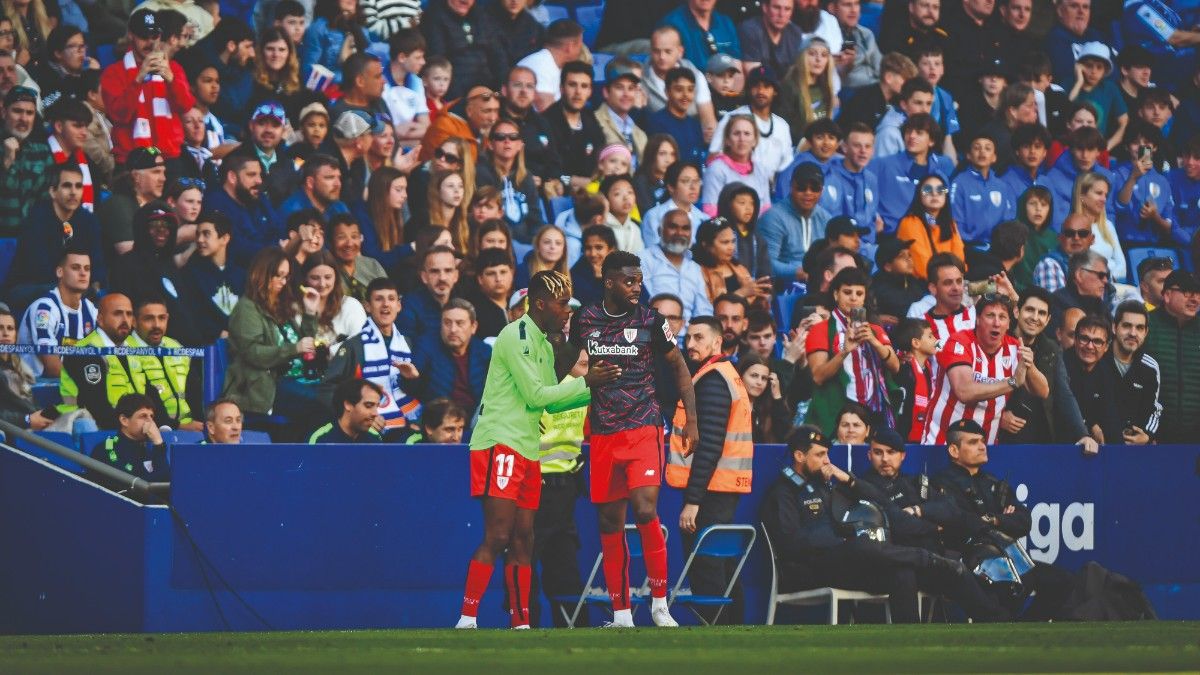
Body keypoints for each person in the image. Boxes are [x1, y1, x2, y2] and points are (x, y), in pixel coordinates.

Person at [456, 270, 618, 630]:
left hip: (529, 449)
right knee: (498, 535)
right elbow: (535, 396)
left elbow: (552, 404)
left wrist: (593, 387)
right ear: (540, 304)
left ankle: (521, 623)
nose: (567, 312)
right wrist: (587, 381)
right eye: (563, 305)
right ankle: (467, 618)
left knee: (523, 538)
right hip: (500, 442)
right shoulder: (516, 335)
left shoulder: (545, 344)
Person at [567, 250, 698, 628]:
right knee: (609, 522)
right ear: (608, 281)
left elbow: (679, 367)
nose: (636, 287)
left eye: (639, 280)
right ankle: (621, 613)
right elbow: (562, 362)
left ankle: (660, 603)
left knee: (644, 510)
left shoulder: (652, 321)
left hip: (644, 426)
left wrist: (691, 420)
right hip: (604, 433)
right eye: (629, 281)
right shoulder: (585, 320)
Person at [760, 425, 1001, 624]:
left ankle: (912, 644)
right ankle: (928, 559)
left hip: (842, 564)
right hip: (809, 569)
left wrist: (848, 480)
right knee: (862, 545)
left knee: (902, 572)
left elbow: (882, 504)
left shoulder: (826, 485)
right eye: (820, 455)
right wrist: (841, 541)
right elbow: (790, 542)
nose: (827, 461)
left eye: (827, 454)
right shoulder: (783, 493)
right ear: (799, 456)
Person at [932, 418, 1073, 620]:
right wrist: (999, 520)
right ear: (954, 451)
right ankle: (1004, 625)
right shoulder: (942, 482)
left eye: (982, 441)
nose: (982, 447)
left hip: (1008, 556)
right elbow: (962, 522)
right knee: (1016, 581)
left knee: (1062, 580)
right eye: (973, 442)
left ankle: (1027, 627)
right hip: (972, 560)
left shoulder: (993, 482)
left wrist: (993, 520)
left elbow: (1024, 521)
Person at [663, 315, 752, 625]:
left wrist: (693, 499)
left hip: (711, 490)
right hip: (722, 487)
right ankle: (736, 630)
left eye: (699, 338)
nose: (690, 344)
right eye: (688, 338)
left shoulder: (712, 378)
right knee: (722, 565)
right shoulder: (724, 373)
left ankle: (716, 634)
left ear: (717, 341)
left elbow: (709, 445)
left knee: (708, 567)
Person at [921, 292, 1047, 444]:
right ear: (978, 319)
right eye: (990, 315)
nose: (996, 323)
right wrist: (1012, 382)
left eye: (1002, 317)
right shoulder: (959, 342)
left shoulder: (1014, 348)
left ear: (1008, 324)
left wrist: (1029, 364)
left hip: (984, 446)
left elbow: (1043, 391)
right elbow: (964, 391)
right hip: (942, 441)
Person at [222, 248, 320, 419]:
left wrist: (310, 313)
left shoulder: (280, 305)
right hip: (267, 387)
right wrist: (294, 349)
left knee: (338, 393)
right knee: (322, 401)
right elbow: (253, 353)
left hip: (297, 379)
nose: (283, 282)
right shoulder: (247, 308)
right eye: (278, 275)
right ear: (262, 274)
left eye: (286, 276)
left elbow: (306, 345)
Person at [805, 266, 898, 434]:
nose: (854, 298)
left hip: (875, 412)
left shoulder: (875, 329)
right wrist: (844, 351)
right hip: (838, 413)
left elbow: (895, 366)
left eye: (859, 293)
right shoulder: (821, 329)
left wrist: (874, 342)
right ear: (836, 295)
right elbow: (818, 376)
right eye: (847, 292)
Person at [323, 277, 421, 437]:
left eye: (391, 299)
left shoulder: (407, 343)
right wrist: (360, 416)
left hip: (406, 422)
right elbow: (327, 389)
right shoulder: (354, 345)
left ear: (399, 305)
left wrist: (411, 379)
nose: (385, 304)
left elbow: (411, 391)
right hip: (367, 429)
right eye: (378, 299)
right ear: (367, 306)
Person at [1001, 286, 1094, 448]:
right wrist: (998, 416)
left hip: (1041, 438)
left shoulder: (1052, 349)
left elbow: (1064, 393)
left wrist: (1083, 434)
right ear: (1016, 312)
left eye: (1042, 313)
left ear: (1048, 320)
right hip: (1002, 439)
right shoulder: (998, 340)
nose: (1035, 317)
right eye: (1030, 310)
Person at [58, 294, 168, 430]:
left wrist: (166, 426)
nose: (125, 320)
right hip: (94, 428)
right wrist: (135, 430)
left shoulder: (134, 349)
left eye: (129, 314)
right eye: (118, 314)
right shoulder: (85, 351)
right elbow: (97, 406)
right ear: (100, 319)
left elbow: (152, 395)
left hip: (133, 426)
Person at [100, 10, 196, 165]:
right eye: (144, 37)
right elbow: (118, 115)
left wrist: (171, 80)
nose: (150, 43)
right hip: (132, 158)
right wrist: (138, 79)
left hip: (169, 155)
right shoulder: (114, 72)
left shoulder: (174, 68)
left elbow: (185, 106)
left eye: (155, 37)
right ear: (131, 35)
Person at [5, 163, 106, 308]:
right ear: (53, 191)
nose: (73, 192)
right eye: (67, 186)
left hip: (73, 287)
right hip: (31, 287)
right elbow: (39, 270)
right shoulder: (36, 220)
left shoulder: (89, 221)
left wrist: (95, 286)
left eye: (78, 186)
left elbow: (97, 264)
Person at [17, 249, 97, 379]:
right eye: (75, 268)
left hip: (73, 384)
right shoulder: (44, 309)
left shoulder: (89, 308)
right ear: (60, 272)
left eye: (87, 269)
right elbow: (52, 367)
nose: (83, 273)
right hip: (36, 388)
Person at [871, 113, 956, 233]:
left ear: (931, 141)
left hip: (926, 236)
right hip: (891, 236)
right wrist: (873, 216)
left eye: (919, 133)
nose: (912, 136)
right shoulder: (883, 164)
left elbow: (944, 210)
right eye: (908, 131)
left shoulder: (939, 176)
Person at [1142, 270, 1200, 443]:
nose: (1195, 299)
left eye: (1197, 293)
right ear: (1167, 295)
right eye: (1187, 292)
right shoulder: (1146, 326)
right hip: (1153, 436)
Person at [125, 296, 199, 430]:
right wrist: (178, 426)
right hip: (151, 429)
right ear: (134, 322)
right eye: (149, 319)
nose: (157, 325)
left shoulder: (175, 347)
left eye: (162, 318)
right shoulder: (125, 350)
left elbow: (195, 392)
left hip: (190, 428)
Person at [408, 299, 491, 417]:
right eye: (447, 323)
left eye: (460, 323)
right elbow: (412, 389)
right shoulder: (426, 346)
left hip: (477, 418)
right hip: (441, 418)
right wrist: (410, 378)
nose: (453, 329)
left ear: (473, 327)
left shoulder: (484, 351)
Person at [86, 393, 171, 499]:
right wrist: (158, 444)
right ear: (124, 420)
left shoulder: (151, 448)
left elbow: (166, 483)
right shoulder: (107, 449)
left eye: (151, 416)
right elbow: (135, 488)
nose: (150, 421)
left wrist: (158, 444)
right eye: (143, 416)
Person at [759, 161, 830, 285]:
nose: (808, 193)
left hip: (818, 283)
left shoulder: (825, 218)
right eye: (802, 187)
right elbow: (765, 262)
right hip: (782, 286)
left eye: (814, 188)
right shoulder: (773, 217)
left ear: (822, 191)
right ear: (791, 186)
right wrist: (798, 272)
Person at [639, 209, 715, 323]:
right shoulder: (643, 260)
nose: (679, 233)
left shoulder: (695, 268)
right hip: (655, 332)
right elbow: (644, 304)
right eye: (673, 227)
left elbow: (703, 311)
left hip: (689, 336)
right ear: (660, 231)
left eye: (685, 228)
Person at [475, 119, 541, 242]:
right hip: (496, 240)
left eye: (513, 137)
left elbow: (535, 218)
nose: (507, 141)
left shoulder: (526, 177)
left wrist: (534, 243)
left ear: (520, 145)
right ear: (490, 144)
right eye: (500, 137)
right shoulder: (481, 173)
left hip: (525, 242)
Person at [0, 86, 51, 237]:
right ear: (3, 113)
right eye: (17, 111)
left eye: (29, 113)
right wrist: (8, 162)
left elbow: (47, 203)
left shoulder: (42, 152)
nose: (24, 118)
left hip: (31, 240)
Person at [949, 133, 1016, 246]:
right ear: (968, 155)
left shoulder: (1002, 186)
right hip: (969, 247)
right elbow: (955, 222)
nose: (982, 151)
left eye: (988, 148)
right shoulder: (959, 183)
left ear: (994, 157)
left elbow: (1008, 220)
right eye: (977, 148)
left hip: (998, 248)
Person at [896, 174, 965, 282]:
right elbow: (923, 268)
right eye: (927, 189)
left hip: (952, 283)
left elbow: (960, 261)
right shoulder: (910, 222)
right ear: (919, 195)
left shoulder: (950, 224)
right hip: (925, 285)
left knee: (991, 287)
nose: (934, 193)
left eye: (940, 190)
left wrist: (956, 280)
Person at [701, 114, 773, 214]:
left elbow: (766, 209)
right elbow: (710, 211)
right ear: (727, 140)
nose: (742, 139)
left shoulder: (761, 169)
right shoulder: (716, 169)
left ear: (755, 141)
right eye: (736, 133)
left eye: (747, 134)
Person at [692, 218, 771, 306]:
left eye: (733, 241)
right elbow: (706, 309)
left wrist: (759, 296)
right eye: (725, 242)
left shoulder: (738, 268)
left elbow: (751, 297)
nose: (731, 247)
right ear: (706, 245)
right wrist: (740, 294)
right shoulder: (698, 271)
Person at [645, 67, 707, 165]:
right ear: (667, 92)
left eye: (690, 90)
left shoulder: (695, 125)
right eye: (679, 89)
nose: (685, 95)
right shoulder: (656, 123)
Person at [397, 244, 459, 341]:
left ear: (456, 276)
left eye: (448, 271)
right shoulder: (410, 305)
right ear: (424, 277)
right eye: (434, 271)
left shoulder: (463, 302)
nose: (442, 278)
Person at [890, 317, 938, 441]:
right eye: (930, 336)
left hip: (922, 438)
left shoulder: (927, 369)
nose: (936, 340)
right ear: (916, 343)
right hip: (902, 437)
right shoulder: (903, 369)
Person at [642, 160, 707, 250]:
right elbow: (653, 252)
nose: (693, 187)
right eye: (685, 181)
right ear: (671, 187)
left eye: (696, 181)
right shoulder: (654, 216)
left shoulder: (704, 219)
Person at [327, 215, 388, 304]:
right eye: (341, 237)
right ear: (330, 242)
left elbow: (389, 295)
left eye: (354, 237)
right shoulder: (325, 269)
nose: (349, 244)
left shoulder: (372, 265)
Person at [309, 379, 385, 443]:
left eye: (376, 407)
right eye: (368, 406)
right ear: (348, 405)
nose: (375, 413)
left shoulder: (374, 437)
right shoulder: (320, 440)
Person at [739, 351, 792, 443]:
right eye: (754, 376)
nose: (759, 382)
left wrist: (777, 396)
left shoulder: (768, 407)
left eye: (764, 378)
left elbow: (786, 436)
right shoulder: (731, 404)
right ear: (740, 376)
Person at [466, 248, 516, 340]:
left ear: (512, 274)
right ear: (480, 279)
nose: (498, 279)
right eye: (491, 273)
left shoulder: (521, 303)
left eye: (503, 272)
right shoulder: (471, 311)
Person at [872, 238, 925, 321]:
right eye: (902, 256)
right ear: (888, 266)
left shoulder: (911, 280)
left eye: (909, 255)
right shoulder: (876, 287)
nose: (909, 259)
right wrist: (875, 318)